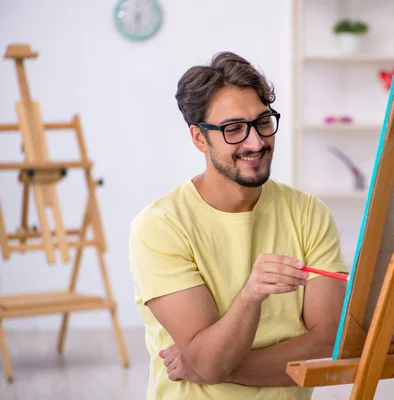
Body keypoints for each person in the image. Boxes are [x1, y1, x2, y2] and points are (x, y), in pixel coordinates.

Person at [128, 51, 348, 400]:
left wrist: (211, 367)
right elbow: (208, 358)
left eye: (263, 122)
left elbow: (327, 345)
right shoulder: (160, 227)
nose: (256, 142)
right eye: (233, 129)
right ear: (200, 138)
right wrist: (251, 295)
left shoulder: (308, 212)